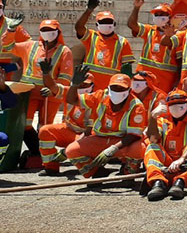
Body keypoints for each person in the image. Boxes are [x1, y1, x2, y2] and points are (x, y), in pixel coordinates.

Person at [65, 73, 147, 178]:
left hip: (123, 141)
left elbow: (133, 135)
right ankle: (96, 172)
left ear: (129, 91)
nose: (117, 91)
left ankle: (128, 174)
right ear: (108, 88)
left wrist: (112, 149)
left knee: (139, 148)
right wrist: (74, 85)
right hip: (100, 138)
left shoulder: (136, 105)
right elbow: (72, 100)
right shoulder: (99, 96)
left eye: (121, 88)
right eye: (114, 87)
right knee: (72, 150)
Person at [13, 19, 73, 157]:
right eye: (44, 30)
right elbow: (7, 46)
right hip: (30, 94)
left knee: (45, 127)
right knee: (24, 124)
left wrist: (53, 89)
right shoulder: (30, 46)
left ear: (58, 32)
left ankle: (46, 155)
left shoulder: (64, 51)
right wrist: (11, 31)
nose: (48, 33)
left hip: (50, 96)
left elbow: (65, 77)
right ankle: (36, 152)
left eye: (51, 30)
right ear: (40, 32)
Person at [144, 90, 187, 201]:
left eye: (180, 103)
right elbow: (153, 138)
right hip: (167, 168)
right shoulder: (162, 119)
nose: (176, 106)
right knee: (151, 147)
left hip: (186, 166)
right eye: (172, 104)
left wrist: (181, 159)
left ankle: (180, 182)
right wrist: (152, 117)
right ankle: (158, 183)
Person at [37, 70, 99, 176]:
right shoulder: (70, 92)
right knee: (45, 130)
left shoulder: (96, 101)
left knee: (81, 147)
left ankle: (92, 168)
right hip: (68, 130)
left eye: (85, 84)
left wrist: (66, 151)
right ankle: (51, 167)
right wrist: (46, 74)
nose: (81, 87)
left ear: (92, 86)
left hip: (86, 136)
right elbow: (53, 87)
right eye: (79, 84)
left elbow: (89, 132)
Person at [75, 0, 136, 91]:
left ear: (114, 24)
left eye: (109, 22)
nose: (106, 24)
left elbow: (127, 68)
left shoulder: (122, 42)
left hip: (110, 88)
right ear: (97, 24)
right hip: (89, 86)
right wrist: (89, 10)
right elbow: (78, 27)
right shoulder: (91, 37)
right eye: (103, 22)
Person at [127, 0, 179, 95]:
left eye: (162, 14)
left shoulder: (177, 34)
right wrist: (136, 7)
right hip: (144, 79)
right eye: (157, 14)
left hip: (164, 81)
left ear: (169, 17)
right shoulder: (149, 30)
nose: (159, 16)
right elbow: (132, 25)